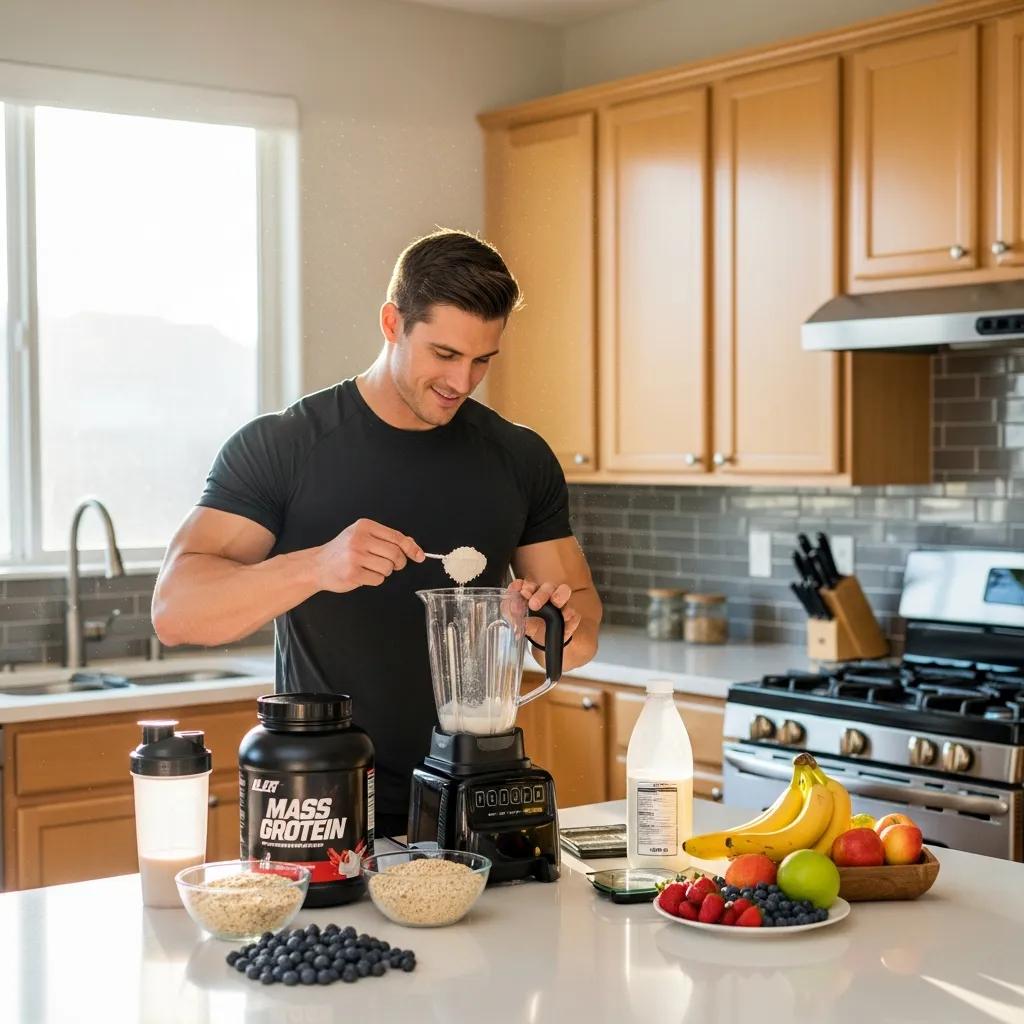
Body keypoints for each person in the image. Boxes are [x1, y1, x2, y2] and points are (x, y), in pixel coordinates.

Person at [152, 228, 603, 836]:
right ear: (393, 323)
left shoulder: (519, 458)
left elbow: (579, 637)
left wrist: (545, 626)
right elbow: (176, 612)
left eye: (482, 361)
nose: (462, 382)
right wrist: (316, 567)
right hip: (322, 804)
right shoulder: (283, 447)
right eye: (444, 355)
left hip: (470, 803)